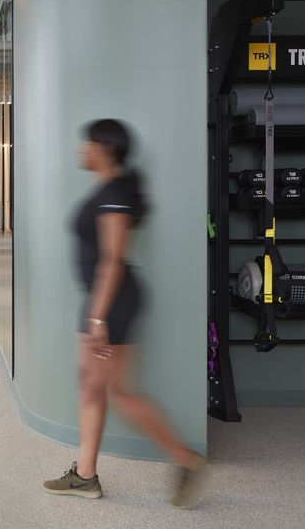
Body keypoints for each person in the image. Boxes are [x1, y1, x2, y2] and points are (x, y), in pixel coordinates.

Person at [43, 119, 207, 508]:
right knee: (93, 386)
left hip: (110, 300)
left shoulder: (114, 191)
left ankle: (187, 460)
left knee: (117, 390)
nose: (81, 150)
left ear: (104, 148)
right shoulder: (107, 189)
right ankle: (85, 475)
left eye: (87, 144)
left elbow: (113, 260)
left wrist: (97, 318)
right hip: (106, 299)